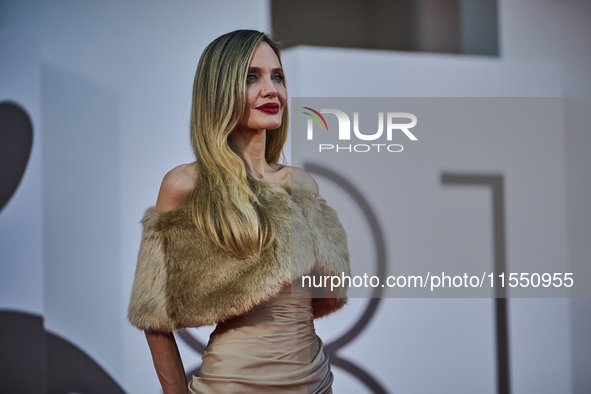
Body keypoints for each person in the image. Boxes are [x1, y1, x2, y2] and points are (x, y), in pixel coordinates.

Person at [127, 29, 350, 394]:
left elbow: (310, 299)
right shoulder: (186, 185)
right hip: (232, 385)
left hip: (315, 381)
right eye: (252, 77)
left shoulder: (303, 187)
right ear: (219, 89)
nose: (271, 90)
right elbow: (154, 318)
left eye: (277, 76)